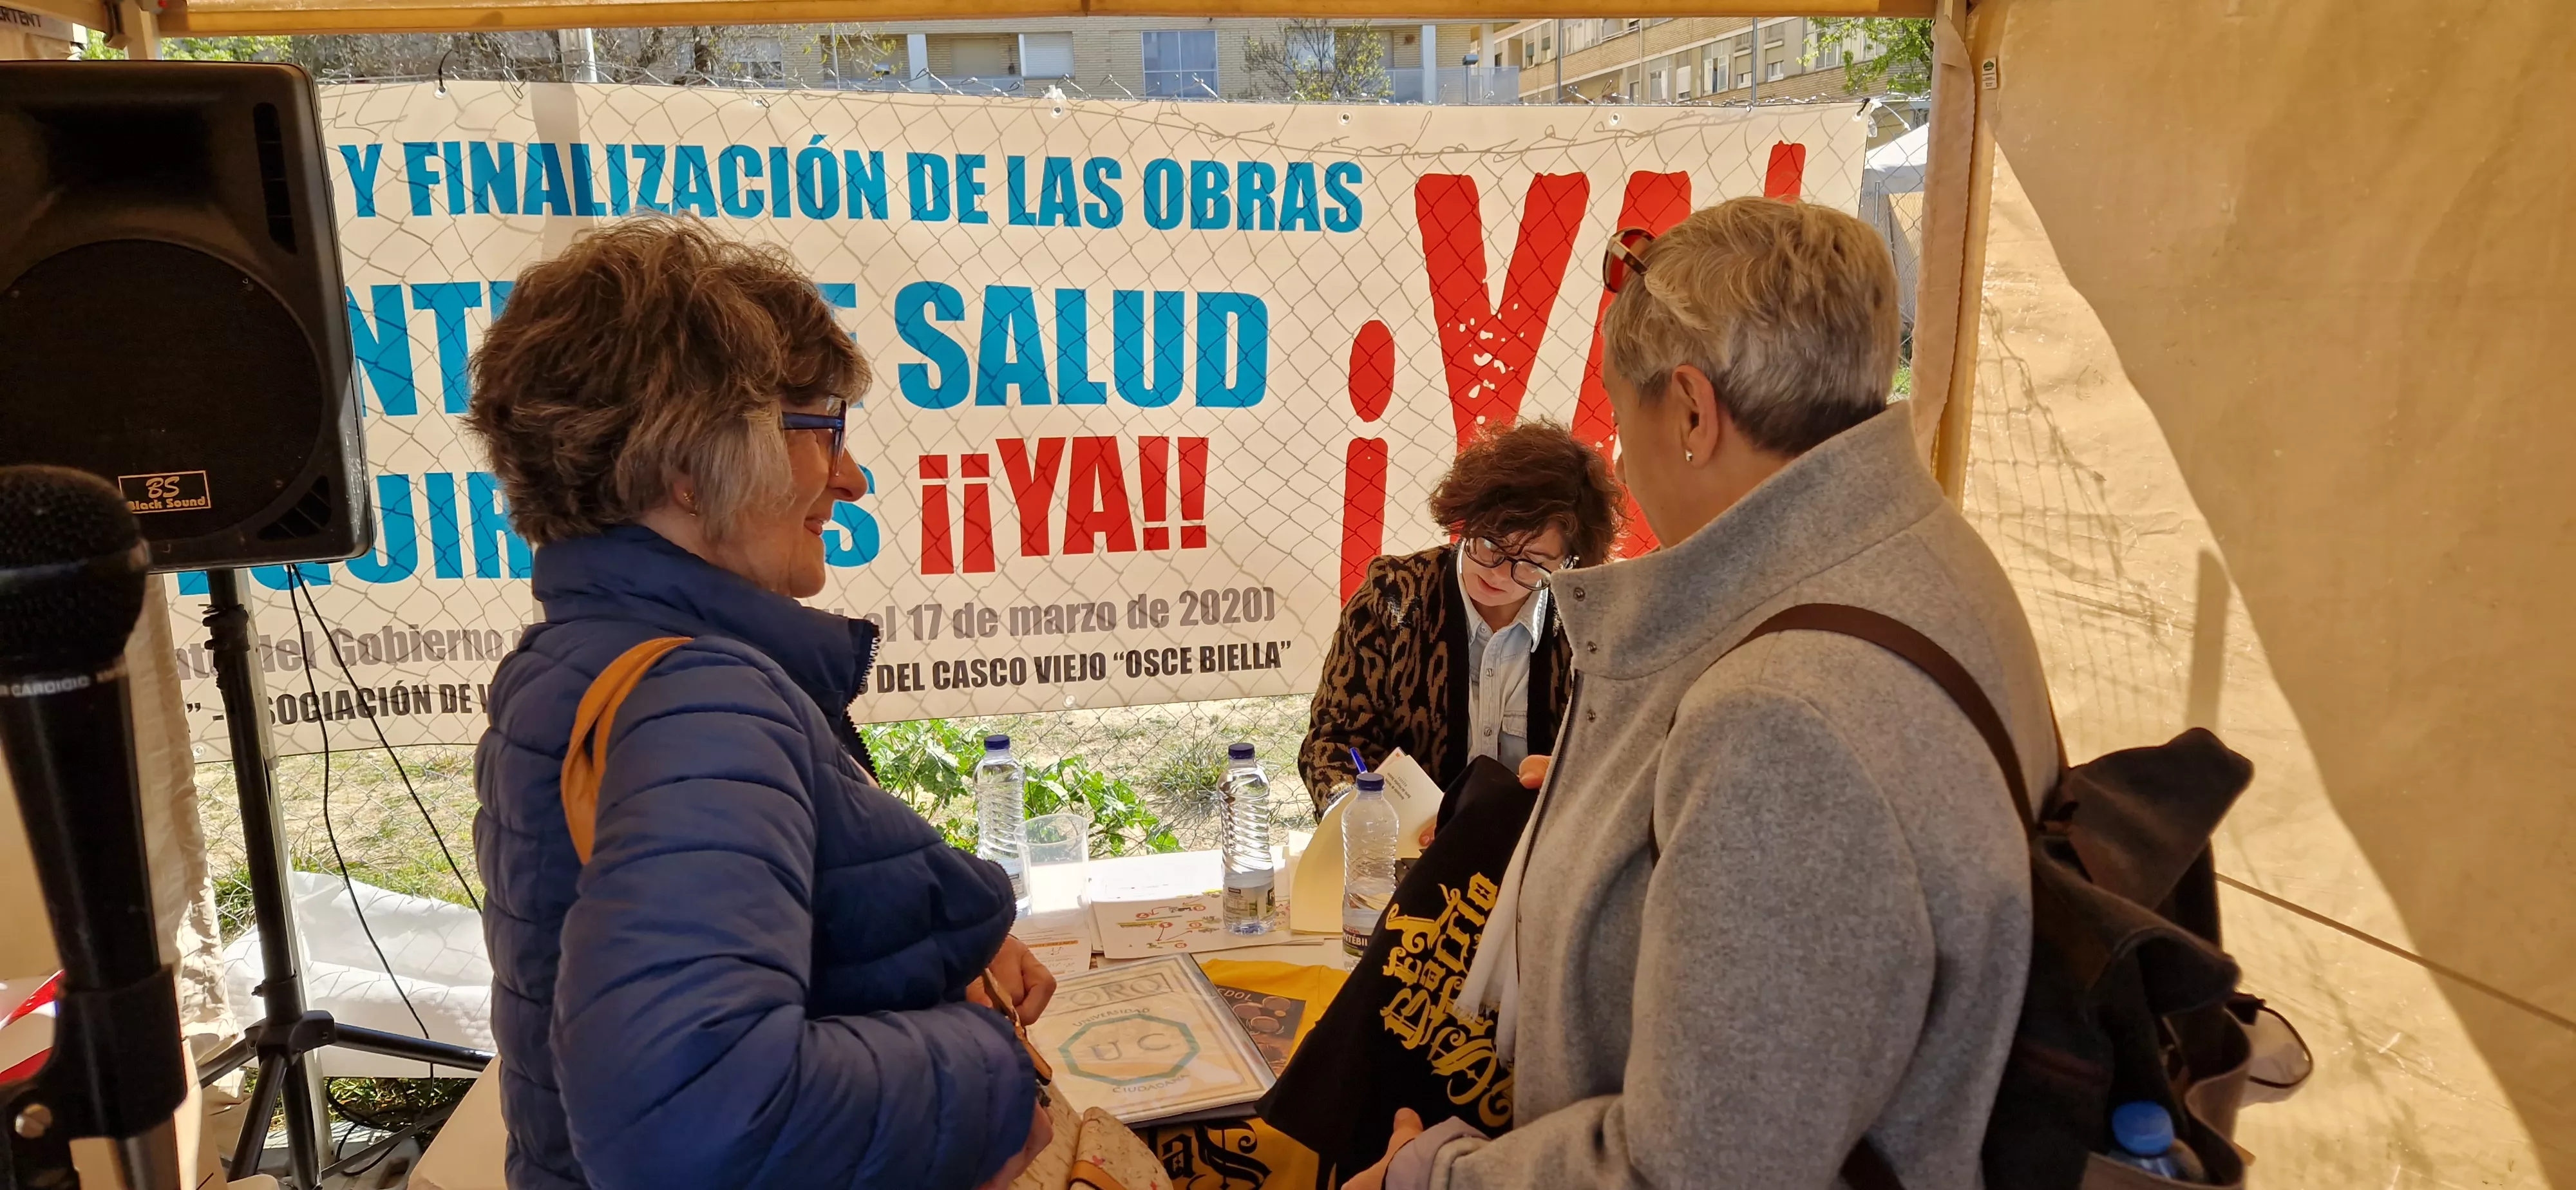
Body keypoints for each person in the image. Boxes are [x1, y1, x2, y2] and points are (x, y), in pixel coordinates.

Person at [1348, 199, 2053, 1190]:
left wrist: (1432, 1178)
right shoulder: (1925, 554)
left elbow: (1701, 1171)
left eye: (1620, 418)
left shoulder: (1780, 725)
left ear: (1688, 410)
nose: (1624, 464)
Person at [466, 218, 1054, 1190]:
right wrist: (988, 1073)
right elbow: (690, 1124)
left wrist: (929, 937)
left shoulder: (576, 659)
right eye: (823, 430)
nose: (851, 479)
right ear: (695, 466)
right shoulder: (695, 700)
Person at [1298, 421, 1621, 813]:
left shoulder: (1589, 625)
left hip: (1540, 853)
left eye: (1532, 563)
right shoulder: (1393, 598)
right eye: (1489, 545)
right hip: (1404, 848)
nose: (1499, 574)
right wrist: (1363, 820)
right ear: (1466, 519)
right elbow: (1332, 744)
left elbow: (1617, 763)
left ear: (1569, 563)